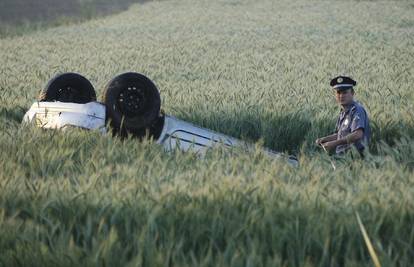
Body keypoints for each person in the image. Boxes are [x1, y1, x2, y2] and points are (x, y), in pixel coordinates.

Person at [315, 76, 371, 156]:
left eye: (344, 92)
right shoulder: (343, 112)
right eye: (338, 92)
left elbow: (357, 134)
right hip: (342, 157)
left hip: (355, 157)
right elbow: (341, 135)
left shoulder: (357, 110)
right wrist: (324, 139)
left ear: (352, 93)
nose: (341, 96)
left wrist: (334, 143)